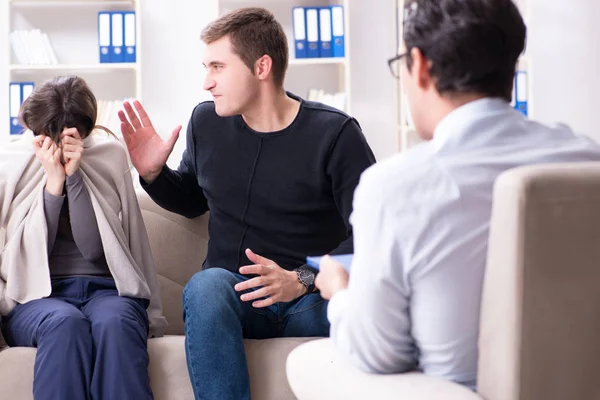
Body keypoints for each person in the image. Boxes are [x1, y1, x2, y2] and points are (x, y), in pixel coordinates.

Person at [314, 0, 600, 390]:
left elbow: (379, 354)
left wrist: (340, 292)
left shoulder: (394, 187)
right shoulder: (588, 160)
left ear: (421, 66)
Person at [117, 6, 376, 400]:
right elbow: (192, 199)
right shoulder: (207, 123)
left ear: (261, 67)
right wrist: (154, 173)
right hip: (236, 297)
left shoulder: (335, 134)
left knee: (358, 309)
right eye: (206, 68)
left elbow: (374, 234)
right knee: (205, 288)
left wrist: (299, 280)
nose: (207, 82)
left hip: (309, 299)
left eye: (218, 67)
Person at [0, 75, 166, 400]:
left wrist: (75, 176)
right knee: (65, 325)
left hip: (107, 291)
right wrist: (53, 182)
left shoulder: (108, 155)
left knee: (117, 325)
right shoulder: (11, 162)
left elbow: (93, 250)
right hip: (35, 300)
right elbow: (29, 260)